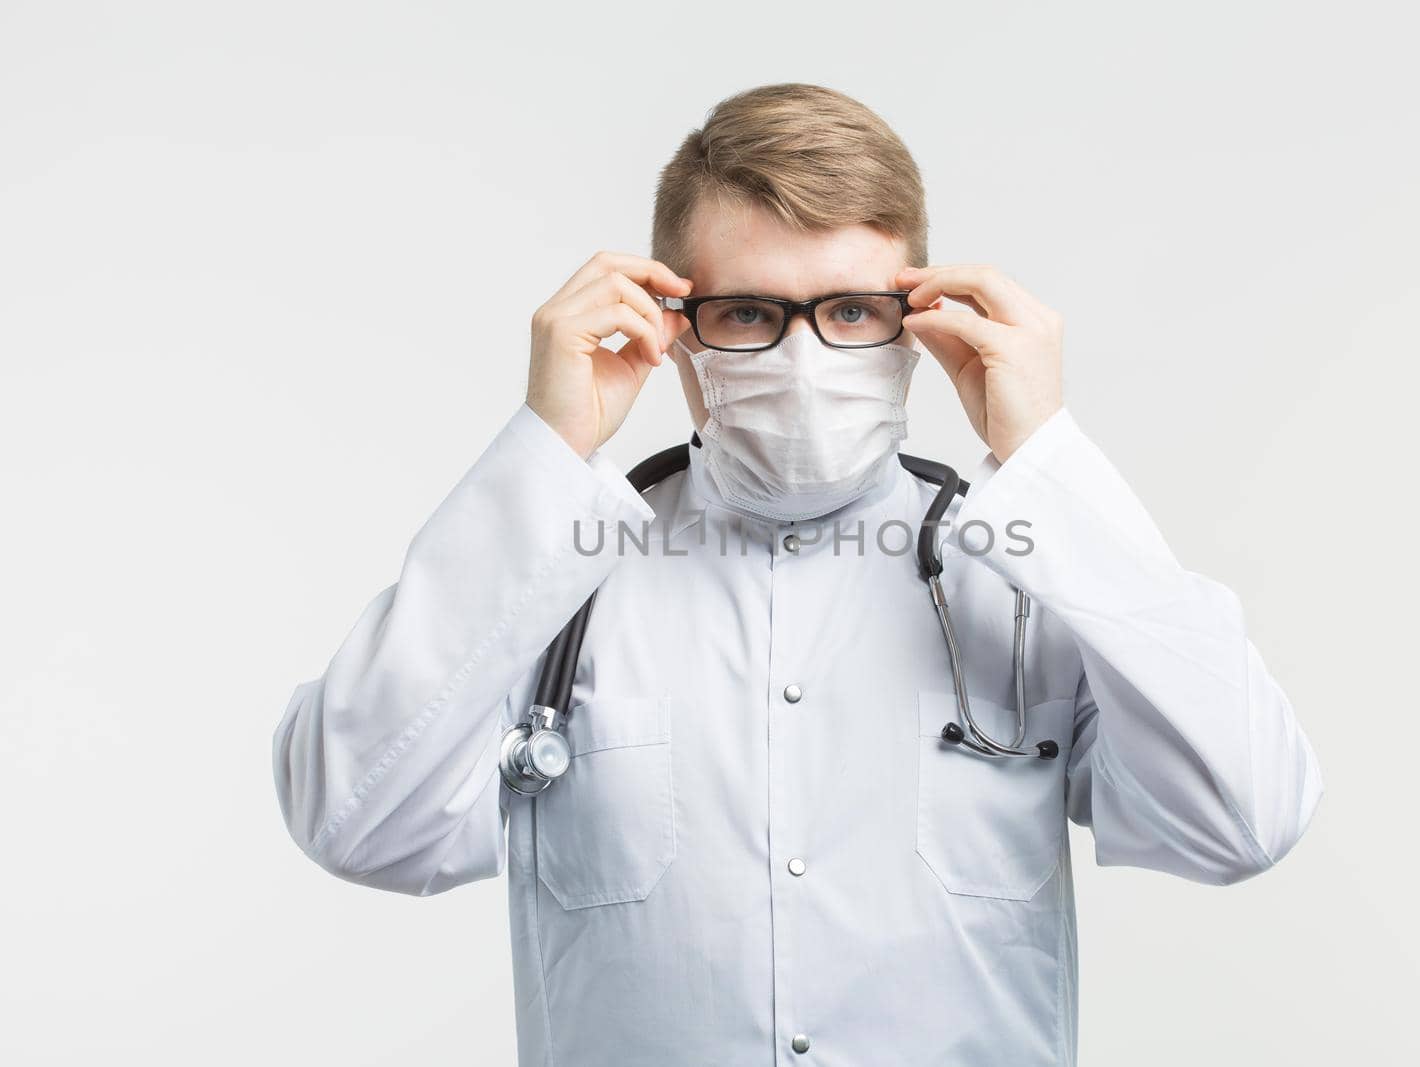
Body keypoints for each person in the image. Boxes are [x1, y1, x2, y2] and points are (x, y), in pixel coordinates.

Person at [271, 82, 1322, 1066]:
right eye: (747, 314)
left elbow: (1243, 818)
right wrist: (544, 452)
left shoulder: (1026, 571)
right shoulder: (552, 579)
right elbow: (354, 820)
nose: (805, 360)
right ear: (673, 328)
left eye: (853, 312)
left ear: (919, 321)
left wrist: (1049, 458)